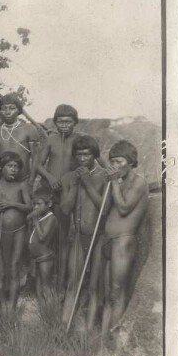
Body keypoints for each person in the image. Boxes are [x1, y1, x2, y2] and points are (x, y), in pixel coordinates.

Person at [59, 135, 109, 325]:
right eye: (78, 155)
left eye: (86, 155)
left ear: (94, 155)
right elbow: (64, 209)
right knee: (72, 283)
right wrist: (76, 183)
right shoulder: (69, 177)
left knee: (95, 287)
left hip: (99, 237)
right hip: (79, 237)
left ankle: (88, 334)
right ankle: (63, 328)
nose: (82, 158)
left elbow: (104, 209)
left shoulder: (105, 176)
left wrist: (87, 182)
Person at [101, 140, 148, 338]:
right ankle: (103, 340)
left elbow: (124, 208)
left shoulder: (139, 182)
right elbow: (104, 210)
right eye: (112, 161)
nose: (115, 166)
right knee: (107, 295)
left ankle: (113, 341)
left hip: (124, 241)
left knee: (116, 293)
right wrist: (111, 183)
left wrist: (113, 182)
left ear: (130, 162)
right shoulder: (118, 183)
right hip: (109, 240)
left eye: (119, 161)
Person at [34, 104, 81, 297]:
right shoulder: (51, 139)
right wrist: (51, 178)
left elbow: (90, 159)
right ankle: (41, 282)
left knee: (62, 238)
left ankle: (61, 285)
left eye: (68, 121)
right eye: (60, 121)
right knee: (45, 236)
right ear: (55, 122)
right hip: (47, 192)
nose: (64, 125)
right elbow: (37, 164)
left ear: (75, 123)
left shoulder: (79, 141)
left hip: (67, 194)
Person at [0, 152, 32, 312]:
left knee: (14, 266)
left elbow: (29, 207)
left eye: (17, 167)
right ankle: (2, 304)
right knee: (1, 267)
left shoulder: (21, 186)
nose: (14, 170)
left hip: (19, 230)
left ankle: (11, 306)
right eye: (10, 166)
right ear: (1, 167)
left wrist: (13, 204)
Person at [0, 93, 40, 183]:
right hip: (1, 182)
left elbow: (36, 158)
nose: (8, 112)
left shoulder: (30, 129)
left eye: (12, 108)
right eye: (4, 109)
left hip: (23, 182)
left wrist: (31, 182)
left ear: (18, 110)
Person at [26, 187, 58, 304]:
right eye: (34, 204)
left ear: (49, 203)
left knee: (46, 288)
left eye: (39, 204)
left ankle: (51, 316)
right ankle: (44, 315)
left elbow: (42, 237)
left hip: (46, 258)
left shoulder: (51, 218)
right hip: (38, 258)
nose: (35, 207)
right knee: (39, 289)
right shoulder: (41, 217)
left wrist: (35, 221)